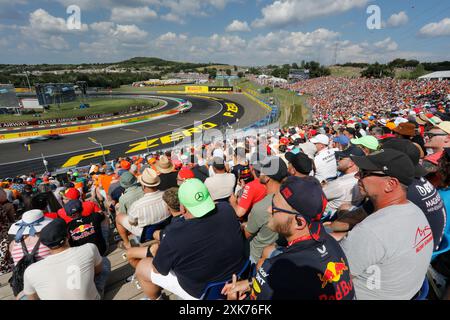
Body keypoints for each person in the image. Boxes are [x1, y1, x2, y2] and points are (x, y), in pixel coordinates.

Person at [222, 176, 355, 300]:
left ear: (299, 222)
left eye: (275, 208)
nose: (269, 210)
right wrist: (252, 282)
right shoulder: (333, 243)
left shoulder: (276, 267)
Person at [340, 149, 434, 300]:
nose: (357, 176)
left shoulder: (370, 232)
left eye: (364, 173)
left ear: (390, 184)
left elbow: (333, 276)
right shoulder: (414, 209)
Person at [135, 178, 248, 300]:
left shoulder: (173, 235)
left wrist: (157, 251)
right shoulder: (227, 209)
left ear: (182, 208)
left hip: (204, 293)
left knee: (142, 267)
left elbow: (157, 270)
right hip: (238, 276)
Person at [23, 218, 110, 300]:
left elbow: (32, 298)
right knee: (104, 261)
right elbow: (98, 271)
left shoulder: (30, 270)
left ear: (45, 244)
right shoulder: (89, 248)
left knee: (23, 294)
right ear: (68, 236)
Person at [245, 157, 287, 263]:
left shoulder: (262, 207)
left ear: (267, 178)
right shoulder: (290, 196)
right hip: (279, 249)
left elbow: (246, 234)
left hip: (257, 257)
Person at [116, 168, 169, 249]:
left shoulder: (137, 205)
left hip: (146, 234)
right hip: (165, 228)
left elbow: (132, 222)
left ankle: (127, 244)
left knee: (118, 217)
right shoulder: (166, 196)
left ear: (143, 185)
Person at [322, 147, 365, 220]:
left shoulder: (340, 184)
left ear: (351, 163)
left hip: (324, 218)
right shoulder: (360, 178)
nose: (337, 160)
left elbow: (315, 195)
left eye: (341, 158)